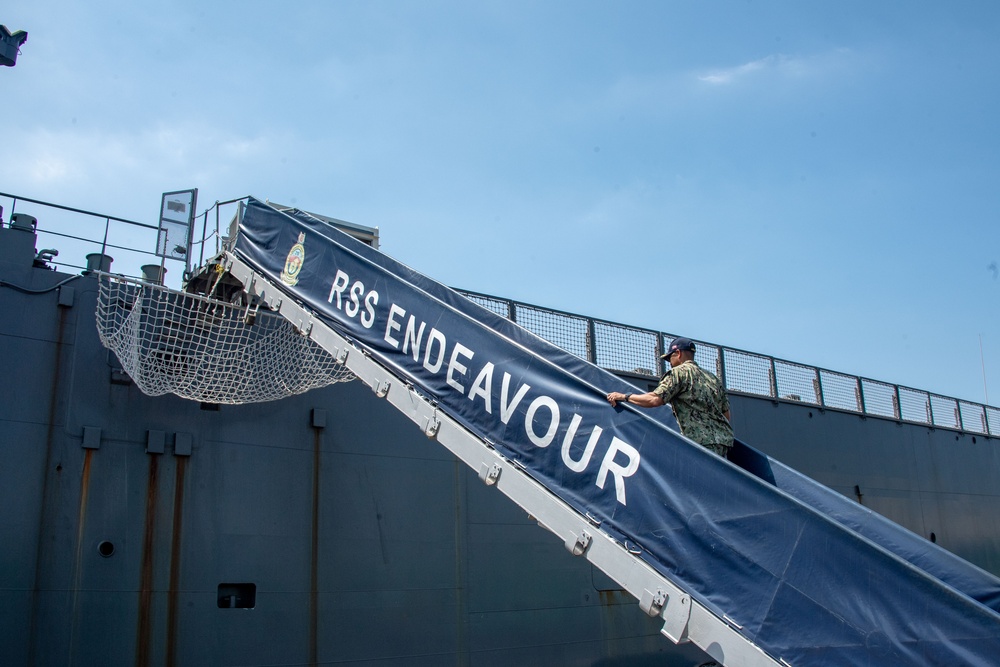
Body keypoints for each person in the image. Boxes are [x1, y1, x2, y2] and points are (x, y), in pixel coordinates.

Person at [606, 337, 733, 458]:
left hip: (700, 443)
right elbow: (726, 415)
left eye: (669, 358)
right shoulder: (713, 379)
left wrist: (624, 396)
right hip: (724, 442)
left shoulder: (679, 373)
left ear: (678, 353)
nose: (670, 363)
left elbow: (654, 399)